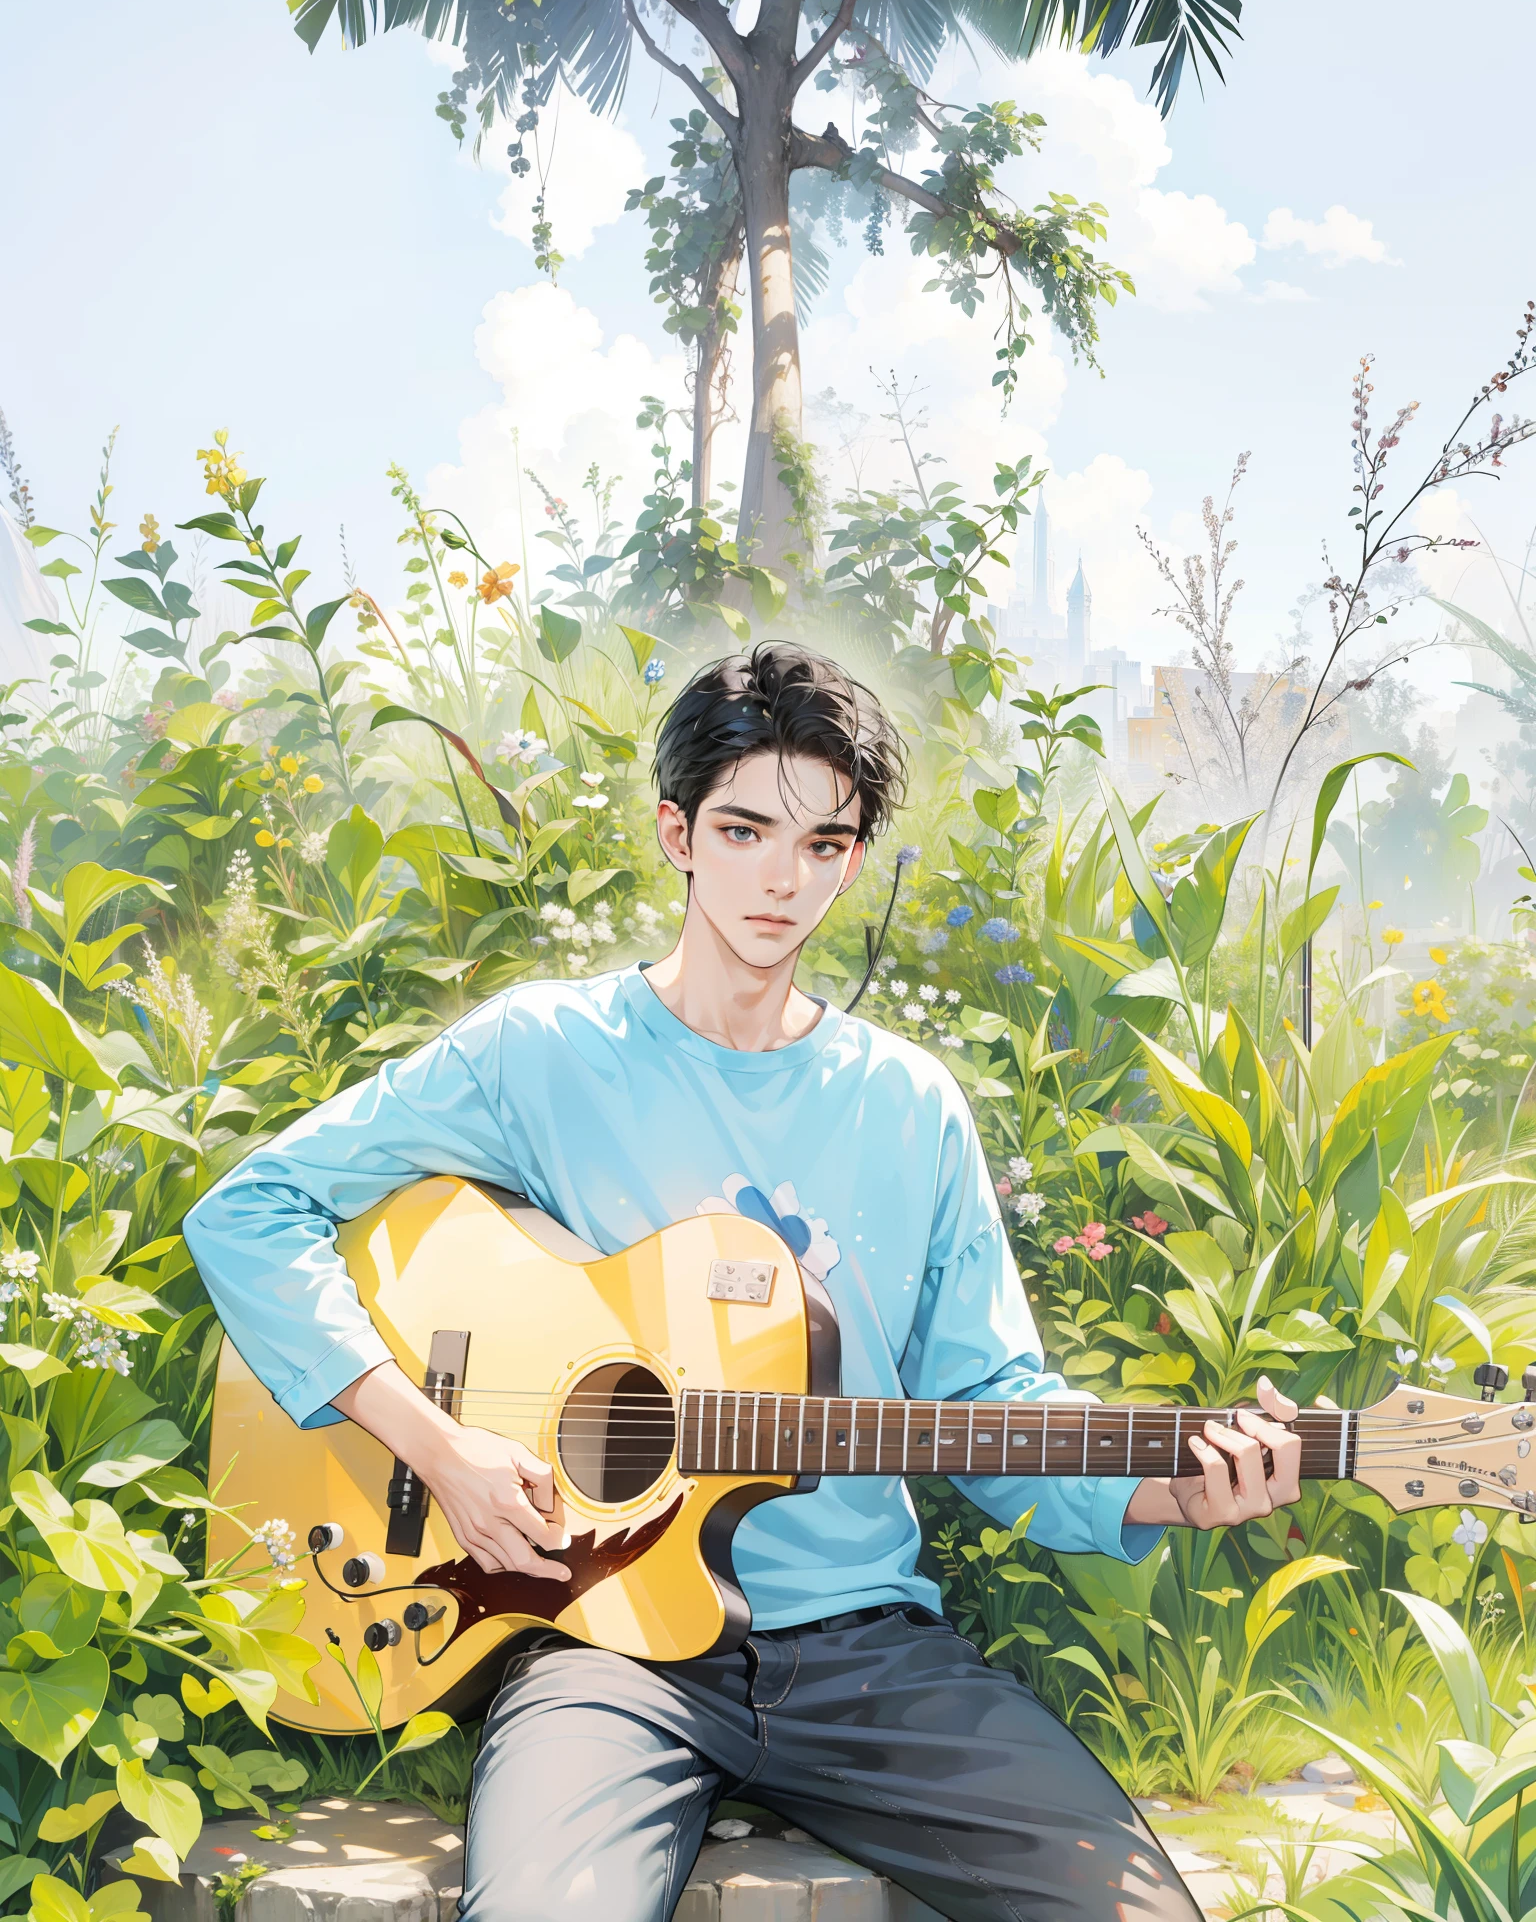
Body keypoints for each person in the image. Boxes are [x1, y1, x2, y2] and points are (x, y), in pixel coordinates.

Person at [184, 641, 1303, 1922]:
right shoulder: (544, 1053)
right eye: (745, 827)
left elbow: (991, 1404)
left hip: (865, 1645)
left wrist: (1172, 1485)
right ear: (677, 831)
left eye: (824, 842)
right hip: (598, 1646)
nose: (783, 875)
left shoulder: (909, 1102)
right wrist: (433, 1442)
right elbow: (251, 1209)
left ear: (856, 857)